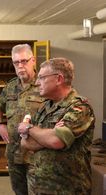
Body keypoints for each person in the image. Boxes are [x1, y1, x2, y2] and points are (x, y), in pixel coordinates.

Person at [18, 57, 95, 194]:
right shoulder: (46, 106)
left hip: (66, 188)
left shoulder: (79, 107)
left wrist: (29, 128)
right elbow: (24, 142)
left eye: (41, 77)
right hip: (38, 186)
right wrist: (50, 134)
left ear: (58, 79)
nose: (36, 83)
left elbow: (56, 141)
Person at [0, 44, 44, 195]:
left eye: (24, 61)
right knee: (19, 191)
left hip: (37, 154)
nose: (20, 66)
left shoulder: (43, 84)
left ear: (33, 60)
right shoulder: (11, 86)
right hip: (14, 152)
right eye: (16, 62)